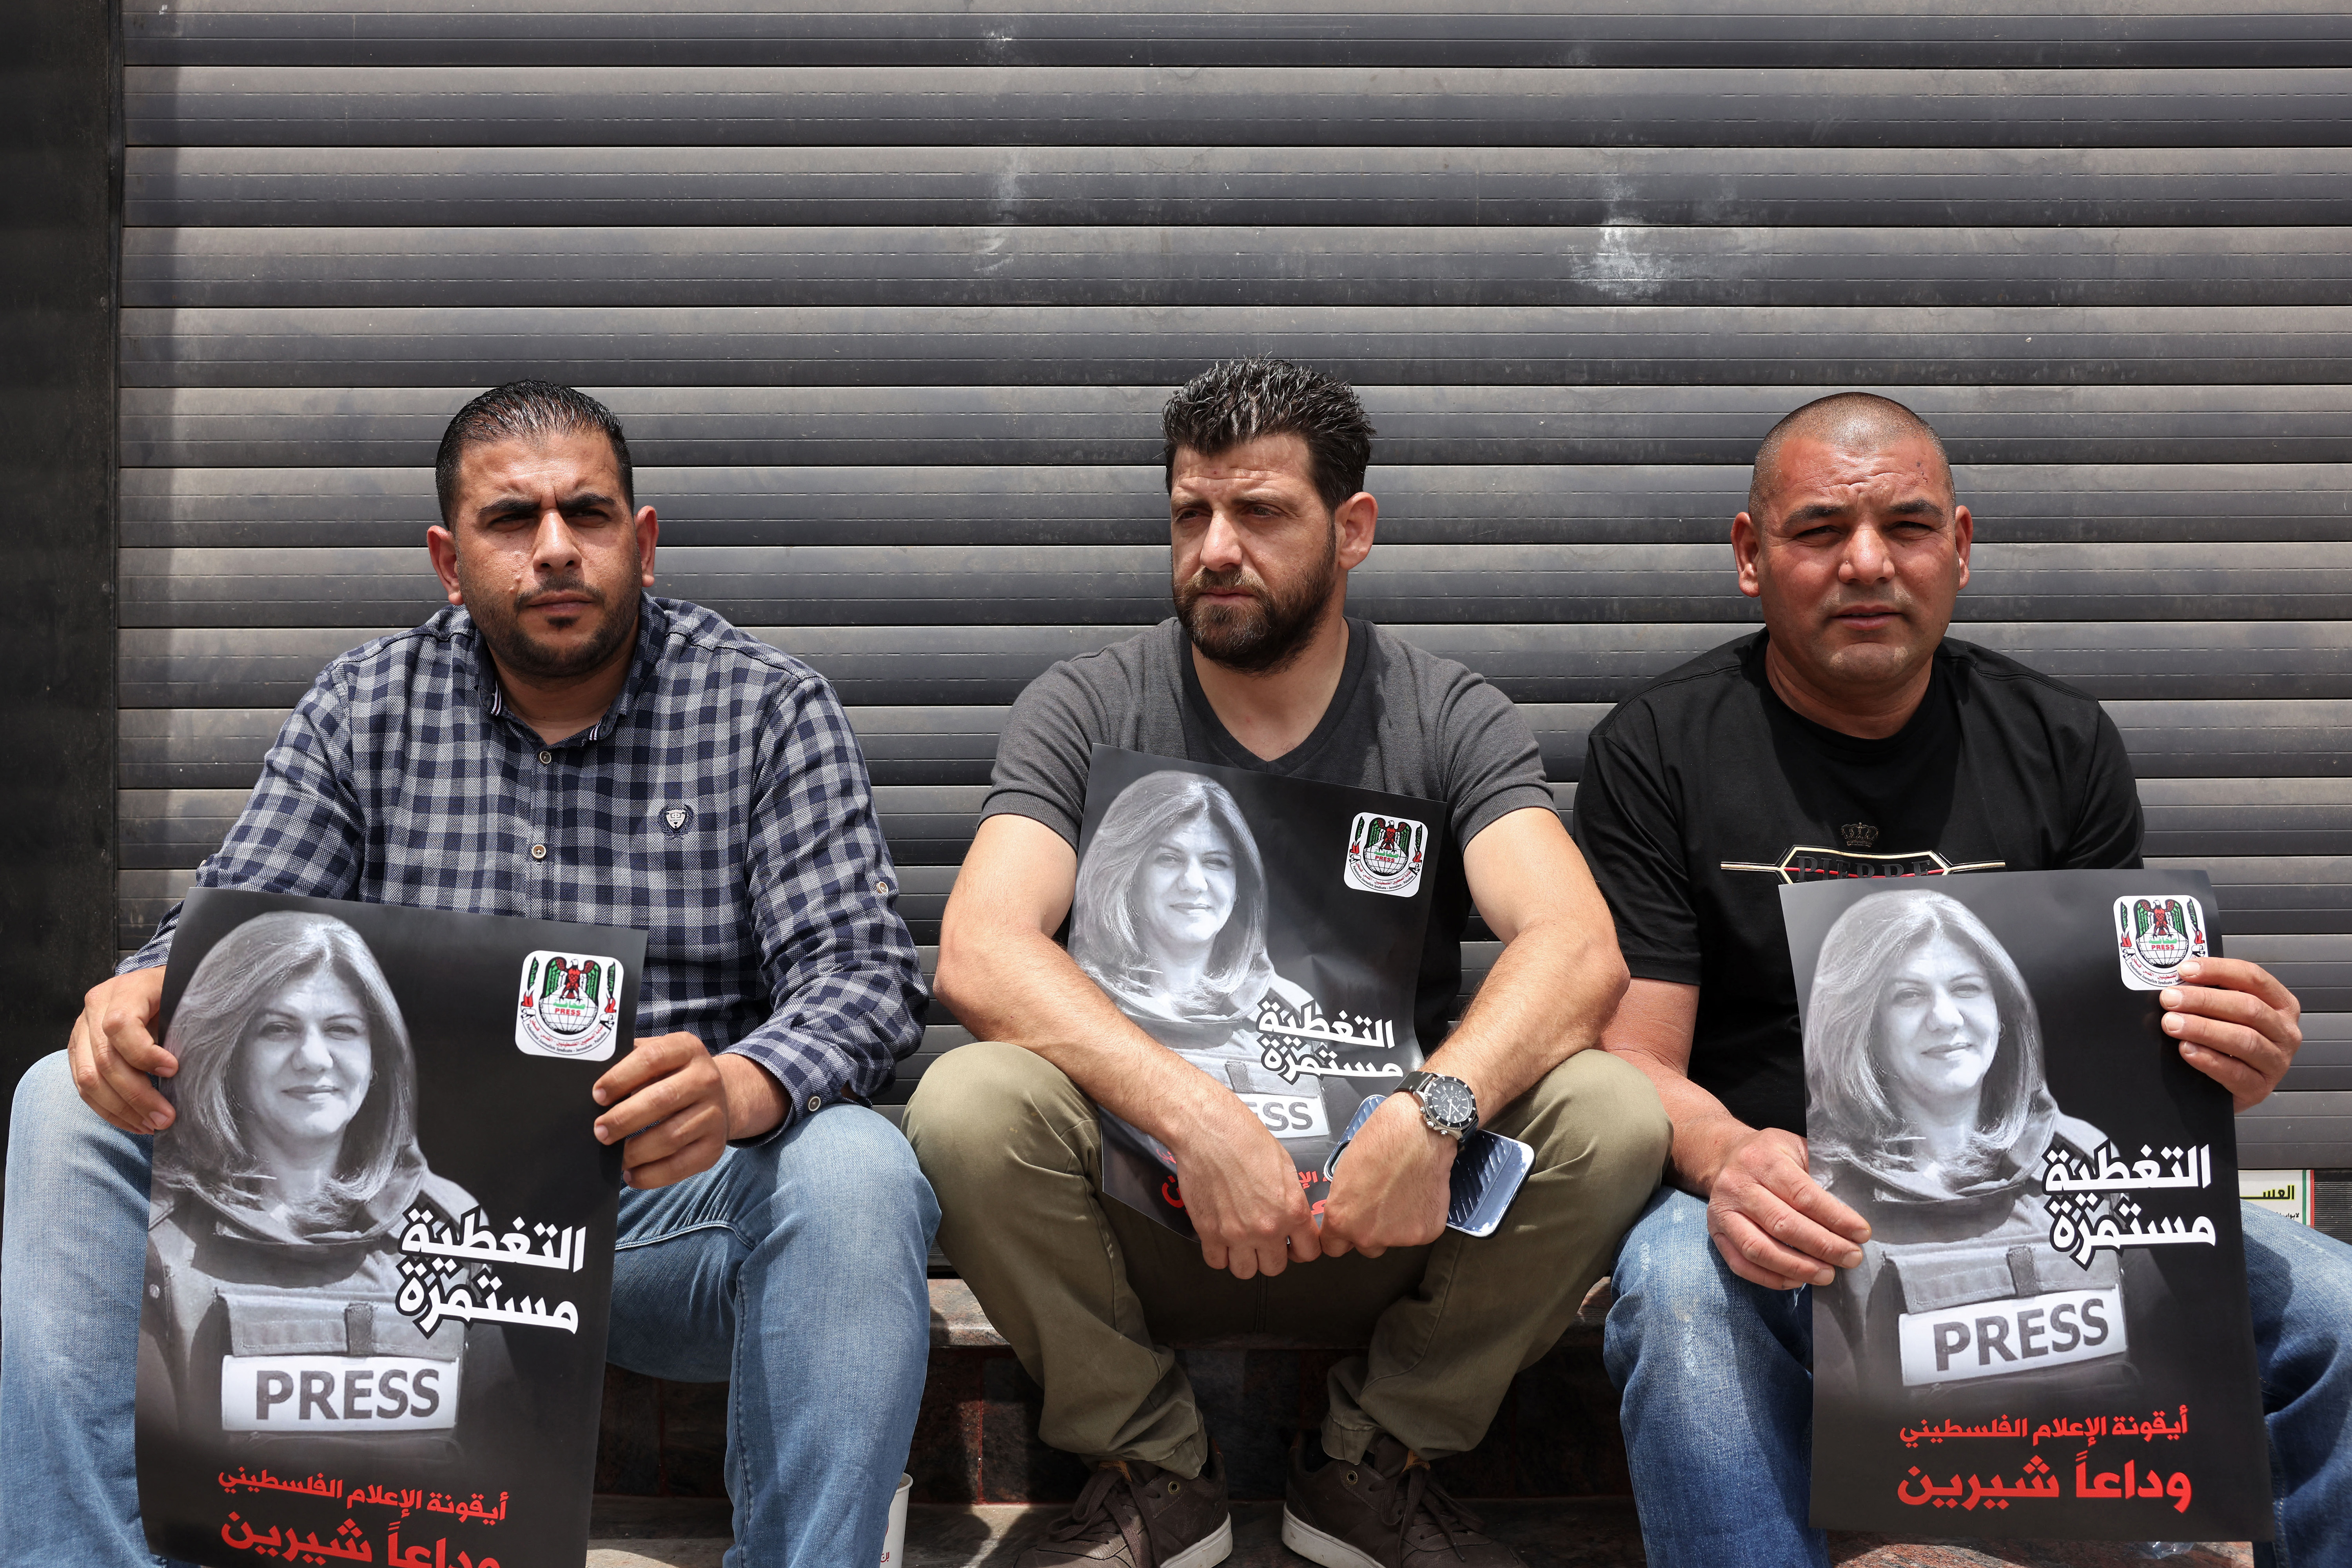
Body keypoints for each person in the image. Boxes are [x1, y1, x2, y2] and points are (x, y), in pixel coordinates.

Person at [1, 381, 938, 1568]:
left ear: (642, 542)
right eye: (511, 520)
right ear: (451, 562)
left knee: (857, 1165)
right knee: (63, 1099)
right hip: (400, 1222)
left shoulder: (766, 710)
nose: (556, 548)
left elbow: (861, 974)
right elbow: (245, 919)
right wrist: (150, 983)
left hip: (660, 1217)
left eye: (588, 513)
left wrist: (739, 1088)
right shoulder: (364, 708)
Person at [904, 357, 1669, 1568]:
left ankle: (1372, 1461)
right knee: (964, 1101)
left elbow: (1577, 947)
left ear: (1351, 528)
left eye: (1257, 512)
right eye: (1190, 515)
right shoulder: (1086, 704)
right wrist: (1199, 1120)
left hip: (1382, 1216)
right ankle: (1155, 1469)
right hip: (1153, 1213)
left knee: (1613, 1113)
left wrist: (1429, 1115)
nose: (1215, 549)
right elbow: (981, 949)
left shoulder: (1444, 710)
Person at [1573, 391, 2352, 1567]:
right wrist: (1731, 1159)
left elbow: (2110, 1062)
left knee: (2333, 1305)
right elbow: (1634, 1060)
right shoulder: (1658, 749)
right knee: (1676, 1284)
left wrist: (2218, 1058)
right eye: (1819, 530)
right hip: (1785, 1209)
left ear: (1962, 546)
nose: (1866, 563)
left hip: (2032, 1190)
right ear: (1750, 555)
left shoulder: (2060, 741)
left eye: (1907, 525)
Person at [138, 911, 508, 1464]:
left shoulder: (452, 1225)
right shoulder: (154, 1235)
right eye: (277, 1029)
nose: (314, 1059)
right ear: (229, 1051)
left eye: (342, 1029)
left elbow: (499, 1458)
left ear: (379, 1056)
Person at [1800, 887, 2140, 1408]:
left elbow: (2168, 1364)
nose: (1946, 1017)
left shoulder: (2088, 1160)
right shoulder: (1819, 1199)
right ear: (1862, 1025)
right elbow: (1840, 1432)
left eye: (1966, 988)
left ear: (2003, 1011)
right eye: (1908, 996)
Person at [1071, 769, 1339, 1162]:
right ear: (1127, 874)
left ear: (1241, 885)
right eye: (1169, 858)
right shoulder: (1076, 1002)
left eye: (1216, 862)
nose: (1194, 882)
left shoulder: (1291, 1011)